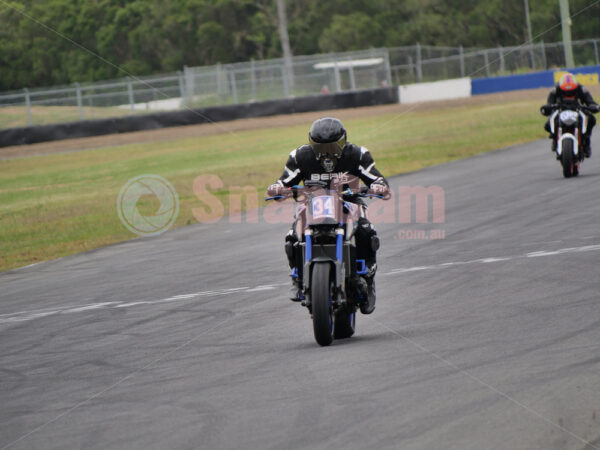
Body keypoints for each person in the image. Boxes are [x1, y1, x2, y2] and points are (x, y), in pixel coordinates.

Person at [266, 117, 390, 314]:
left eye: (333, 147)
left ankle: (368, 276)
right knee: (291, 236)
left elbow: (377, 177)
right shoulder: (300, 156)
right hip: (312, 205)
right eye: (320, 147)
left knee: (367, 231)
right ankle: (297, 278)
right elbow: (284, 181)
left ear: (344, 141)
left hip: (350, 201)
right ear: (311, 144)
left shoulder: (358, 154)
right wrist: (277, 188)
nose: (327, 153)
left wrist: (378, 186)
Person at [541, 72, 599, 157]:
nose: (568, 93)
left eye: (571, 92)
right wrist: (547, 108)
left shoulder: (581, 89)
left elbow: (590, 101)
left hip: (577, 110)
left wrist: (593, 106)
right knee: (547, 124)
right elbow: (549, 103)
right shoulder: (555, 90)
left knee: (591, 119)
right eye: (566, 92)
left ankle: (586, 141)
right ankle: (554, 138)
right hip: (561, 110)